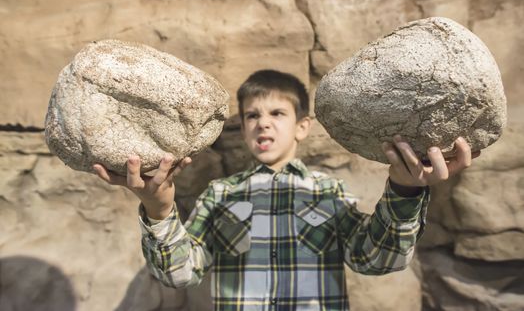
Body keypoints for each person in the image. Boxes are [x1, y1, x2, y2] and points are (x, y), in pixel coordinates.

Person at [93, 69, 475, 310]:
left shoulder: (328, 191)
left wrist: (405, 190)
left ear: (302, 126)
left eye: (277, 113)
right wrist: (158, 209)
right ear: (242, 129)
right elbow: (180, 274)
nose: (263, 124)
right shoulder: (219, 194)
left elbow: (376, 260)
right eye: (252, 116)